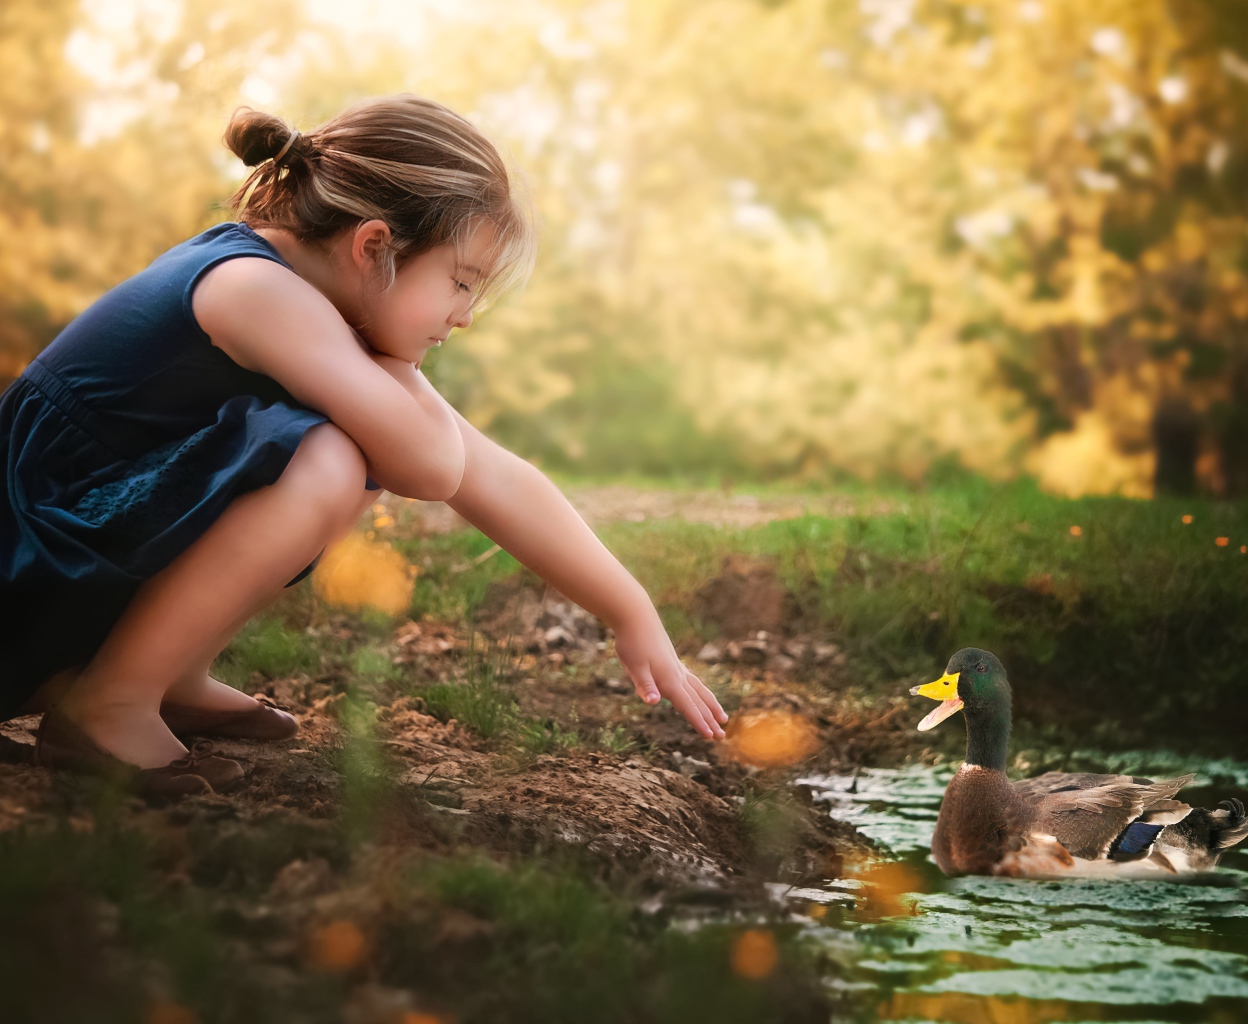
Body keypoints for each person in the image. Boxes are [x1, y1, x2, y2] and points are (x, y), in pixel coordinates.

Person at [0, 93, 728, 798]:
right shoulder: (256, 289)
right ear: (374, 246)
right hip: (25, 562)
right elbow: (434, 464)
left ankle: (168, 671)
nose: (466, 316)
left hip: (73, 540)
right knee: (330, 458)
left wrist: (630, 609)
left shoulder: (318, 309)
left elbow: (491, 474)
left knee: (348, 441)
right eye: (461, 283)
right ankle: (110, 702)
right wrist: (401, 372)